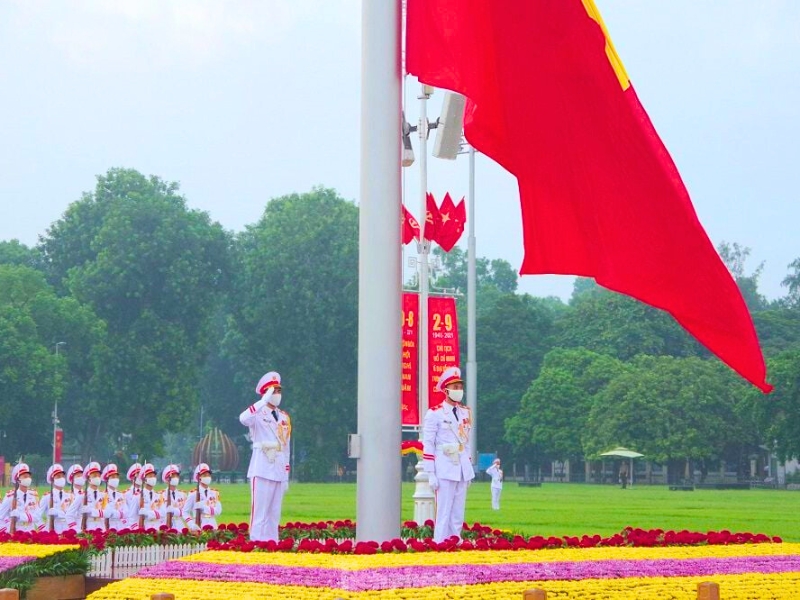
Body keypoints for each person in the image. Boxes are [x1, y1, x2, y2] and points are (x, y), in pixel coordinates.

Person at [422, 366, 474, 543]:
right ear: (446, 390)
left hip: (461, 467)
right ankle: (440, 542)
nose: (459, 391)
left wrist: (468, 468)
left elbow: (465, 442)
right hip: (444, 467)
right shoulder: (435, 413)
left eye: (460, 387)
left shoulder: (465, 412)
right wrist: (430, 473)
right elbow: (428, 443)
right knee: (444, 509)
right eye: (455, 387)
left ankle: (455, 540)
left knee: (458, 510)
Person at [240, 370, 291, 542]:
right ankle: (256, 543)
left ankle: (272, 544)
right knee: (259, 512)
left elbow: (286, 447)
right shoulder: (257, 413)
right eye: (273, 391)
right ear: (265, 392)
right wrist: (261, 402)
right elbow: (243, 418)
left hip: (278, 467)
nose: (277, 395)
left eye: (279, 391)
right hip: (261, 466)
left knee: (274, 513)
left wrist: (286, 474)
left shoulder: (284, 417)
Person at [0, 463, 42, 533]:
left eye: (29, 476)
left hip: (30, 532)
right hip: (15, 531)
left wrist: (19, 516)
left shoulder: (34, 495)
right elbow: (1, 516)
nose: (28, 478)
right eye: (25, 476)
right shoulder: (10, 496)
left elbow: (37, 516)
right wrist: (6, 531)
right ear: (18, 480)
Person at [183, 463, 223, 530]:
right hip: (199, 525)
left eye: (209, 475)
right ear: (199, 478)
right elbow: (185, 512)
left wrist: (204, 508)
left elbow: (218, 511)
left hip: (212, 524)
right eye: (204, 475)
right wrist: (191, 525)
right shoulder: (193, 493)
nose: (207, 477)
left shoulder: (214, 492)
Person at [39, 463, 77, 533]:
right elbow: (37, 515)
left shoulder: (70, 496)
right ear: (53, 480)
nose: (61, 478)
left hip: (67, 529)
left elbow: (73, 514)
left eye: (63, 476)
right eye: (58, 476)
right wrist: (43, 529)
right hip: (52, 528)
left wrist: (58, 513)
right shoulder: (47, 496)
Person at [102, 464, 132, 531]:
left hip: (122, 525)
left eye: (117, 477)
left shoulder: (121, 494)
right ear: (107, 480)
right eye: (112, 477)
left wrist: (116, 514)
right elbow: (107, 513)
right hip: (109, 526)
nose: (115, 479)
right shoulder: (103, 495)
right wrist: (120, 514)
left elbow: (127, 512)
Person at [136, 463, 166, 530]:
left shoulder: (159, 496)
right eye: (150, 476)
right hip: (144, 528)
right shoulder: (137, 496)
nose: (153, 478)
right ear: (144, 479)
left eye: (154, 476)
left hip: (157, 528)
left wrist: (148, 513)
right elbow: (132, 517)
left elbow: (163, 512)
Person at [161, 464, 187, 531]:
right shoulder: (161, 495)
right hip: (166, 524)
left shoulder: (183, 494)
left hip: (180, 525)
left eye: (177, 476)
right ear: (167, 479)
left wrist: (174, 510)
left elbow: (186, 512)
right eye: (173, 476)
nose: (175, 478)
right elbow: (162, 512)